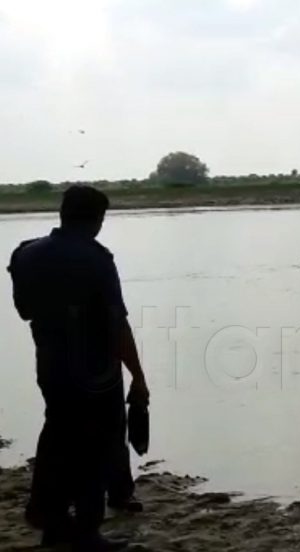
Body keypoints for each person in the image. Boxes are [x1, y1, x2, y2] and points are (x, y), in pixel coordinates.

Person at [8, 185, 148, 551]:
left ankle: (51, 522)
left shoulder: (25, 254)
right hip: (95, 369)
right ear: (98, 219)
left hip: (51, 364)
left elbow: (24, 311)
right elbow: (118, 324)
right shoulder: (97, 258)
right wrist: (139, 377)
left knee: (58, 438)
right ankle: (87, 531)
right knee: (95, 447)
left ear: (62, 213)